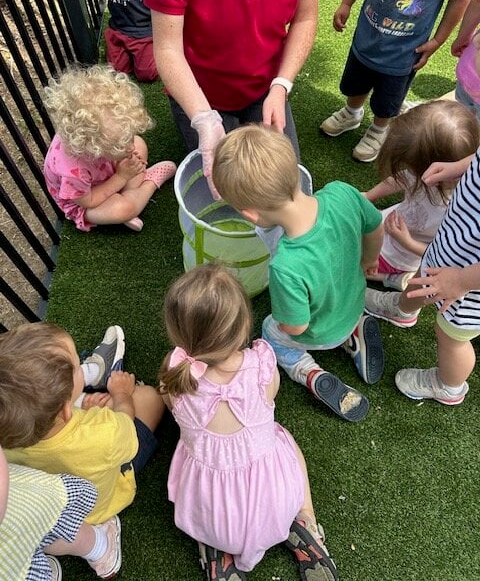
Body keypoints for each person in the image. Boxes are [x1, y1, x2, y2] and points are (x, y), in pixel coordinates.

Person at [159, 264, 338, 581]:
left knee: (193, 454)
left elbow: (171, 406)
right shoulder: (262, 366)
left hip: (216, 515)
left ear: (177, 335)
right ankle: (305, 519)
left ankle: (215, 546)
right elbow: (271, 397)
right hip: (275, 505)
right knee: (281, 436)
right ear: (244, 325)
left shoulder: (174, 376)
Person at [212, 125, 385, 422]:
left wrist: (282, 321)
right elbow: (375, 225)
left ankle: (306, 369)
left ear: (250, 214)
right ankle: (354, 332)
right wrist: (369, 259)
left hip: (323, 333)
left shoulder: (285, 266)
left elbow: (295, 326)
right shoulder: (342, 192)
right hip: (355, 303)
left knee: (270, 331)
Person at [141, 0, 327, 196]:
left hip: (268, 86)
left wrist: (282, 84)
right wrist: (204, 119)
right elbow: (167, 48)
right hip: (199, 93)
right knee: (225, 193)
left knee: (284, 191)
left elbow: (305, 17)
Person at [319, 0, 478, 163]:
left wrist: (438, 40)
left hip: (405, 50)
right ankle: (352, 112)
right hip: (368, 35)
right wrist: (347, 2)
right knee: (355, 82)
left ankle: (379, 129)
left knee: (388, 99)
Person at [1, 321, 165, 524]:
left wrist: (83, 409)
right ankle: (95, 378)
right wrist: (121, 394)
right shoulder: (103, 432)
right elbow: (126, 423)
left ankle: (83, 390)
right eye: (78, 367)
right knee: (149, 398)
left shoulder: (5, 438)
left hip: (63, 513)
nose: (78, 367)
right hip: (103, 502)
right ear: (65, 410)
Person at [364, 140, 480, 405]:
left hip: (470, 286)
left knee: (451, 336)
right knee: (421, 278)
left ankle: (448, 385)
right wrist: (461, 167)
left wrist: (461, 280)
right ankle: (401, 310)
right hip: (451, 246)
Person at [43, 65, 176, 233]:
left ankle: (129, 195)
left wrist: (120, 159)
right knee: (123, 209)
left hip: (101, 170)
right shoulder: (73, 173)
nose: (130, 146)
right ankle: (148, 184)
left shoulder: (90, 135)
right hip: (86, 200)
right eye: (119, 145)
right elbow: (89, 201)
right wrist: (121, 177)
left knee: (140, 145)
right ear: (93, 147)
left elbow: (126, 145)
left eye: (128, 138)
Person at [363, 100, 479, 291]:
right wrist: (369, 195)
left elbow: (444, 254)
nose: (412, 175)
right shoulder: (424, 172)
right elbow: (401, 179)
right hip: (390, 225)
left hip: (403, 255)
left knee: (354, 264)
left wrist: (407, 242)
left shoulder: (461, 208)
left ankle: (392, 277)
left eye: (414, 170)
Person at [0, 443, 121, 580]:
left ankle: (37, 570)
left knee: (17, 562)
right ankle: (102, 550)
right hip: (15, 510)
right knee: (46, 526)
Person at [452, 0, 480, 119]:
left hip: (469, 73)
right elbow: (478, 1)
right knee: (461, 119)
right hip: (467, 76)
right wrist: (463, 37)